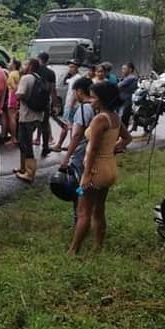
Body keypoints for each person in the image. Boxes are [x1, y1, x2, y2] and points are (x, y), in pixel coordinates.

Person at [69, 82, 130, 254]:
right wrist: (114, 148)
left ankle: (73, 250)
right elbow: (127, 138)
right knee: (99, 209)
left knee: (83, 212)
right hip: (109, 168)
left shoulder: (99, 119)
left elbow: (93, 149)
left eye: (93, 97)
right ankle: (98, 246)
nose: (90, 100)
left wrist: (86, 175)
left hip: (95, 171)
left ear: (102, 99)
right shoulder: (114, 117)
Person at [60, 77, 96, 224]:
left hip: (81, 155)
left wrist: (66, 157)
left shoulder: (83, 109)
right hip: (92, 153)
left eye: (74, 91)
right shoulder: (96, 106)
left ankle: (80, 218)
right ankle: (85, 215)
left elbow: (76, 136)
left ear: (79, 91)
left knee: (79, 187)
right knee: (89, 187)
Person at [15, 58, 46, 182]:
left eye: (25, 64)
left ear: (30, 66)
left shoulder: (26, 78)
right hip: (38, 115)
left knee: (26, 144)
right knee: (25, 143)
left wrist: (20, 97)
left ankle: (29, 173)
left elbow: (20, 94)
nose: (23, 66)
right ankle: (23, 168)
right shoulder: (39, 78)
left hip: (27, 116)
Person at [54, 60, 84, 153]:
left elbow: (75, 93)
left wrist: (70, 105)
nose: (70, 69)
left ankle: (60, 145)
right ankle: (70, 145)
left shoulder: (77, 78)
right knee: (70, 126)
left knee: (66, 126)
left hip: (72, 106)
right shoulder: (73, 78)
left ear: (77, 68)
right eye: (69, 67)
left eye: (72, 67)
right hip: (69, 105)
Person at [36, 52, 57, 157]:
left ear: (38, 59)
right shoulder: (51, 73)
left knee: (29, 125)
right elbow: (53, 90)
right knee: (45, 125)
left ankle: (27, 148)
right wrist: (56, 104)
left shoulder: (34, 70)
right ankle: (45, 147)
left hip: (32, 102)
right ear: (47, 60)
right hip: (45, 102)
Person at [4, 59, 21, 147]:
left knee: (12, 118)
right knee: (15, 117)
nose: (8, 64)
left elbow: (14, 88)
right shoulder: (18, 73)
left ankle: (13, 138)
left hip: (12, 96)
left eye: (10, 62)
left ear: (14, 65)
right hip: (17, 98)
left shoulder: (11, 74)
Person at [118, 62, 139, 130]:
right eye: (122, 69)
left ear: (130, 70)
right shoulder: (125, 78)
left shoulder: (130, 78)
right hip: (123, 100)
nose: (122, 70)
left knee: (123, 119)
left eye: (124, 69)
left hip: (126, 101)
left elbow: (119, 86)